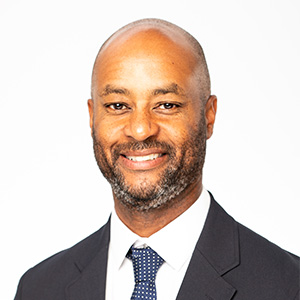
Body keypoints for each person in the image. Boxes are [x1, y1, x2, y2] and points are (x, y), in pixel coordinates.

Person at [14, 18, 299, 300]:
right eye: (117, 105)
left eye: (166, 105)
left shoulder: (288, 286)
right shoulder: (38, 288)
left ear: (209, 115)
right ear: (92, 117)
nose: (140, 130)